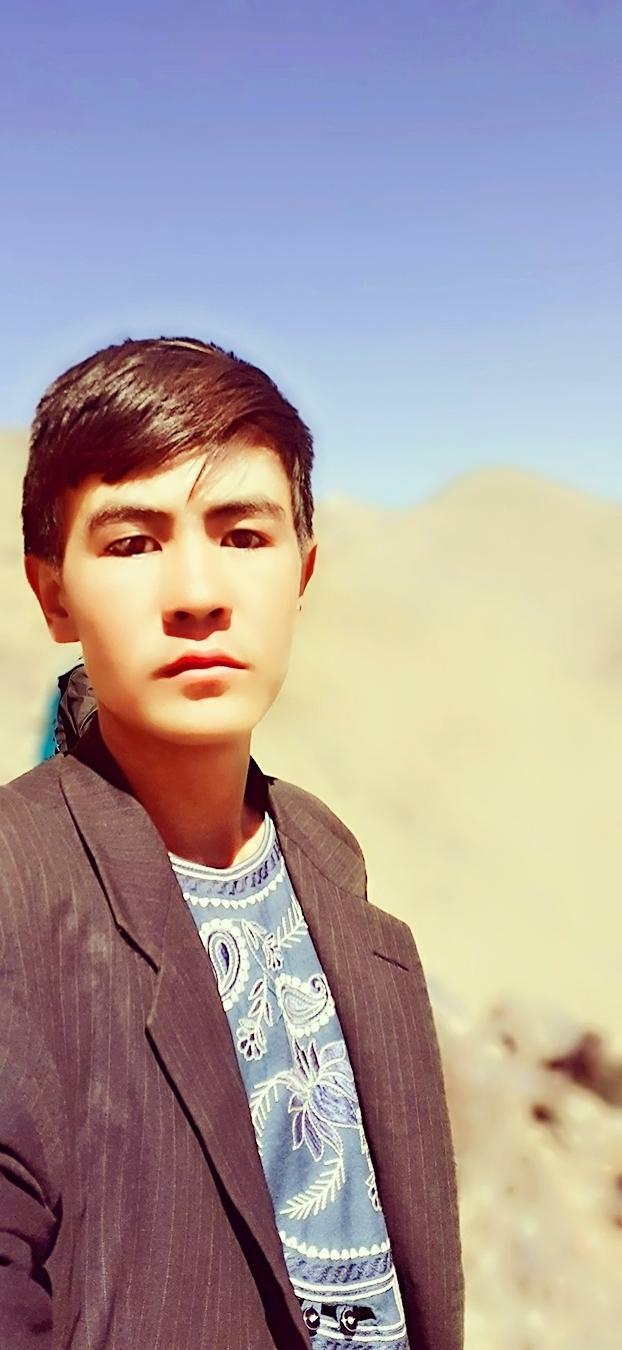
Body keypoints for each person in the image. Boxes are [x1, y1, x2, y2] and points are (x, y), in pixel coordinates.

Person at [0, 337, 464, 1349]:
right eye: (133, 543)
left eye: (243, 534)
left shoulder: (341, 887)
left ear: (302, 572)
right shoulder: (16, 889)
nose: (198, 593)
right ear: (53, 594)